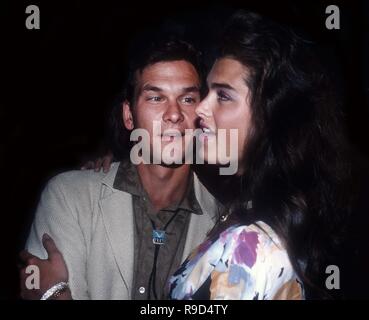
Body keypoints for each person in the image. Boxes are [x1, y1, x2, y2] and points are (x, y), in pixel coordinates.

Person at [167, 11, 353, 299]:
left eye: (224, 96)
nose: (201, 108)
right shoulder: (261, 215)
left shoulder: (252, 247)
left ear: (270, 119)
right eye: (207, 92)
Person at [19, 37, 219, 300]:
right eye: (156, 97)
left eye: (188, 98)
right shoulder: (70, 197)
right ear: (129, 115)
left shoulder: (221, 223)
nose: (173, 114)